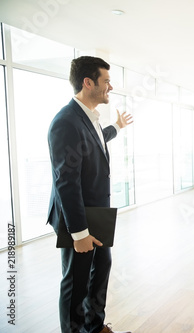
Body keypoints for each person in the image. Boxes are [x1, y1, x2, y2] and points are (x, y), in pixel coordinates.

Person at [47, 56, 133, 333]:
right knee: (76, 281)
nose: (110, 86)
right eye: (106, 81)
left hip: (97, 213)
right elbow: (66, 181)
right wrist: (79, 233)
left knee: (101, 269)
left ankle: (95, 327)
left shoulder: (89, 118)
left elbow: (97, 140)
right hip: (79, 217)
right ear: (88, 82)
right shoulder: (66, 122)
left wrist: (117, 127)